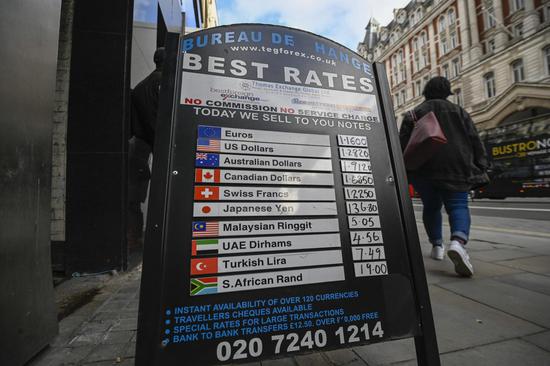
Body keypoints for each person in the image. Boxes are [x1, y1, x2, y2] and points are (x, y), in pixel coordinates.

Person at [399, 76, 489, 277]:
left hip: (423, 169)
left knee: (431, 207)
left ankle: (437, 247)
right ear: (447, 92)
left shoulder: (414, 113)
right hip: (456, 167)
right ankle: (458, 243)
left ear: (426, 92)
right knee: (458, 206)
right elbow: (474, 139)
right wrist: (482, 164)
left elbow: (402, 144)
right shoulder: (459, 112)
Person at [127, 47, 165, 248]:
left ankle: (134, 237)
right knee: (165, 193)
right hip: (162, 144)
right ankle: (158, 237)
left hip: (142, 146)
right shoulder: (165, 83)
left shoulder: (141, 87)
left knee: (135, 196)